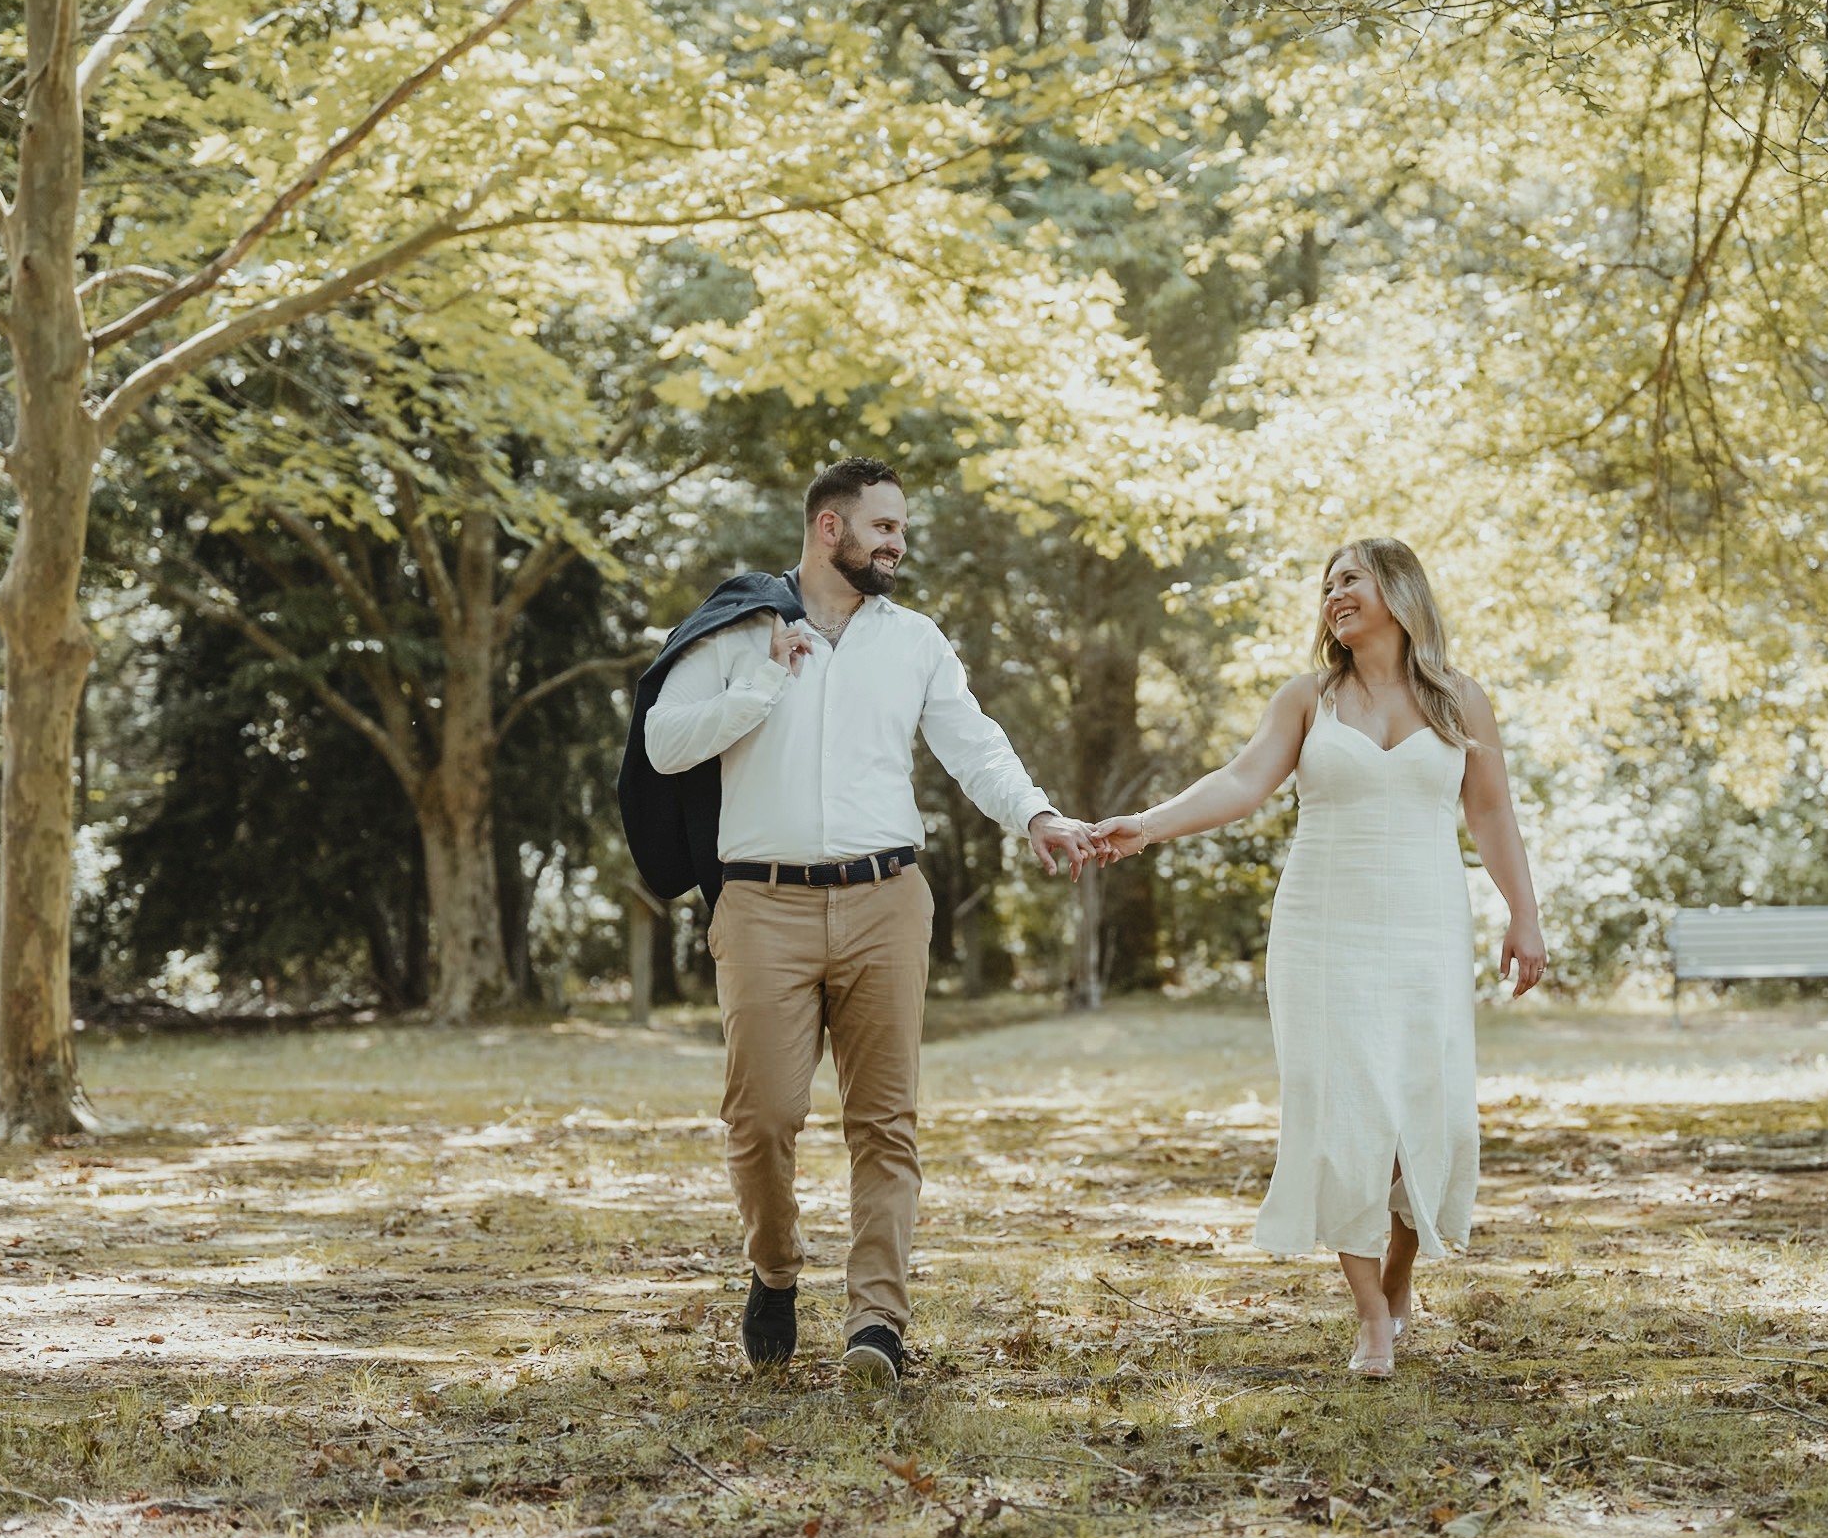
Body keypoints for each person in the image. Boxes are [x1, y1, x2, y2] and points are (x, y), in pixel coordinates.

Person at [637, 457, 1099, 1390]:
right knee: (762, 1117)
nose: (897, 544)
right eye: (882, 526)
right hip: (762, 902)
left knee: (885, 1122)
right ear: (828, 529)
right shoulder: (738, 628)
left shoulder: (915, 640)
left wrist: (1038, 814)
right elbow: (661, 739)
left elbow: (974, 743)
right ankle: (773, 1267)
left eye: (900, 529)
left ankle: (876, 1324)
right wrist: (761, 689)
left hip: (888, 899)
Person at [1093, 537, 1545, 1378]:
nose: (1334, 594)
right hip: (1323, 930)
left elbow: (1491, 816)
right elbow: (1241, 781)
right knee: (1344, 1121)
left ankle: (1400, 1281)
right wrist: (1145, 827)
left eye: (1350, 580)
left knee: (1427, 1120)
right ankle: (1372, 1317)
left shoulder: (1458, 701)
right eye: (1327, 582)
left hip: (1425, 932)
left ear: (1399, 592)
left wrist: (1525, 915)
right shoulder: (1309, 698)